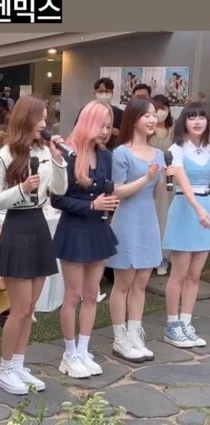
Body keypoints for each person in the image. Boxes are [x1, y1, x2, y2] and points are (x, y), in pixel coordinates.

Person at [0, 94, 68, 395]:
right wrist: (21, 189)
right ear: (25, 119)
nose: (44, 123)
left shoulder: (45, 150)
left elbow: (59, 190)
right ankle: (5, 368)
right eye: (39, 118)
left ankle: (19, 365)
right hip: (17, 228)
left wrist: (58, 160)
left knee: (30, 307)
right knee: (19, 309)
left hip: (39, 226)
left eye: (46, 118)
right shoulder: (3, 155)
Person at [50, 100, 119, 379]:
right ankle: (69, 353)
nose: (105, 132)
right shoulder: (68, 153)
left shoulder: (106, 156)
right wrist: (91, 205)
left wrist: (108, 204)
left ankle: (83, 349)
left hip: (98, 228)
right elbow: (57, 199)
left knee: (92, 294)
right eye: (101, 125)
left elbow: (108, 190)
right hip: (75, 229)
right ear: (88, 123)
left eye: (109, 126)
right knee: (72, 295)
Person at [107, 97, 170, 363]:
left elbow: (156, 194)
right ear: (134, 119)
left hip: (148, 221)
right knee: (123, 283)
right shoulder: (122, 153)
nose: (152, 119)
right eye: (147, 115)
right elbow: (118, 191)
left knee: (141, 283)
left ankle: (135, 334)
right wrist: (146, 177)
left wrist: (162, 176)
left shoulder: (158, 154)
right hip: (127, 221)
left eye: (154, 114)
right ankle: (119, 337)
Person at [162, 102, 210, 349]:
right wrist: (199, 209)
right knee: (179, 273)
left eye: (202, 117)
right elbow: (186, 187)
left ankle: (186, 323)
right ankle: (172, 325)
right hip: (185, 209)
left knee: (195, 273)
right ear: (185, 122)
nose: (198, 122)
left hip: (207, 208)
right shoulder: (176, 149)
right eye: (192, 117)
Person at [149, 94, 175, 276]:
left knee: (165, 218)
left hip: (169, 180)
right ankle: (150, 255)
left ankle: (164, 258)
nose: (160, 112)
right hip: (150, 178)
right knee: (152, 218)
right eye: (157, 108)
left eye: (163, 108)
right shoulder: (147, 130)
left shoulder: (173, 131)